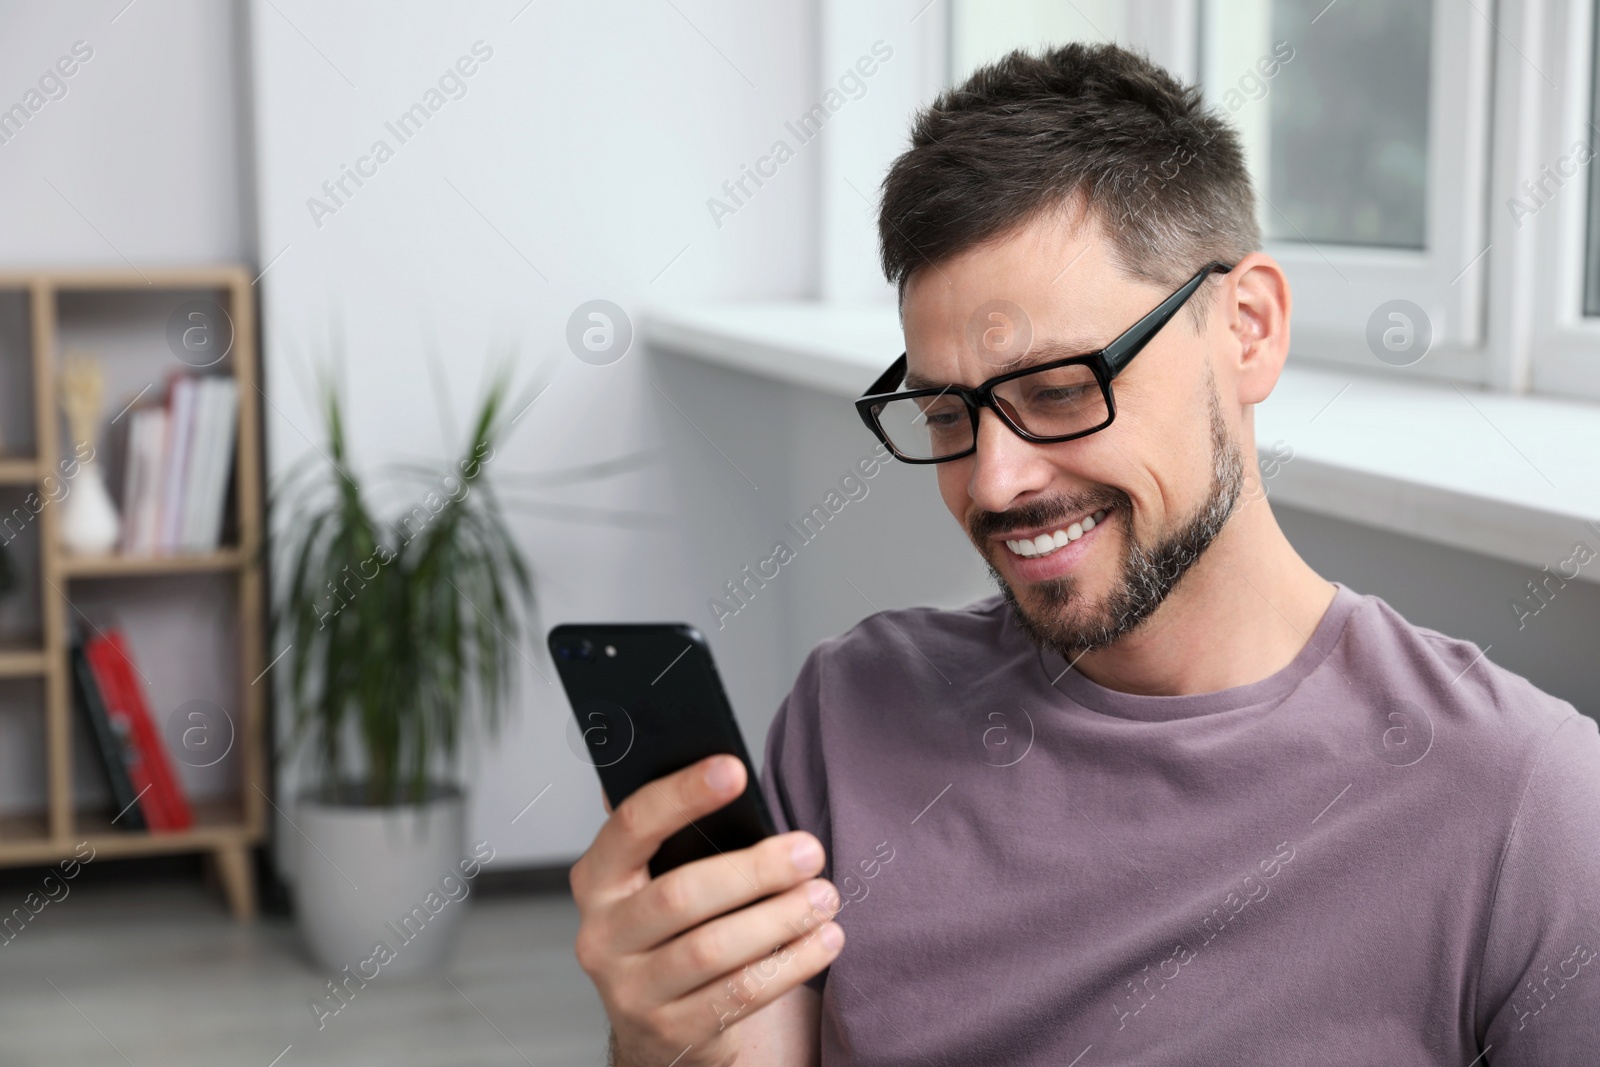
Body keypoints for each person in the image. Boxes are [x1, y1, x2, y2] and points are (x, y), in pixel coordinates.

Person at [569, 42, 1600, 1065]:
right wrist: (656, 1041)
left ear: (1247, 328)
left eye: (1059, 391)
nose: (993, 481)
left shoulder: (1524, 802)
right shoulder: (852, 709)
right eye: (945, 413)